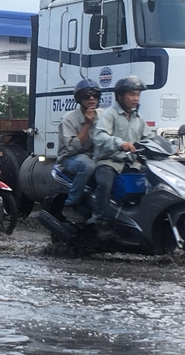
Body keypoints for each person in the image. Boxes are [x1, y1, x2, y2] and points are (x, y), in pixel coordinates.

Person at [92, 76, 153, 239]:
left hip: (130, 163)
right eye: (132, 94)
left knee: (154, 182)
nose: (136, 98)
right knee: (105, 184)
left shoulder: (138, 118)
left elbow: (150, 137)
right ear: (120, 96)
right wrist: (120, 143)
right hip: (109, 162)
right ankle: (102, 222)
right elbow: (99, 136)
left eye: (138, 95)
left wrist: (170, 147)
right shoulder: (109, 114)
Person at [57, 79, 102, 224]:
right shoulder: (69, 119)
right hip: (70, 157)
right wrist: (87, 125)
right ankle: (71, 204)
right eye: (86, 96)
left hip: (95, 155)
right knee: (88, 166)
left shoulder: (103, 115)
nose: (91, 99)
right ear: (79, 98)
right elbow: (72, 148)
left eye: (95, 95)